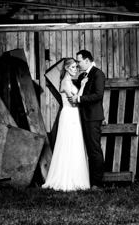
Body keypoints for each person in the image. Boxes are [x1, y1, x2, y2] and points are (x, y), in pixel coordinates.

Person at [42, 58, 89, 190]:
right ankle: (66, 178)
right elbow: (74, 102)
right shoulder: (65, 83)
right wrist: (83, 86)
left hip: (74, 114)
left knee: (75, 144)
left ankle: (76, 176)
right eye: (73, 67)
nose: (76, 69)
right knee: (68, 143)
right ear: (67, 68)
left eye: (76, 67)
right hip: (69, 114)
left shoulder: (70, 82)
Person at [75, 49, 106, 187]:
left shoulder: (98, 74)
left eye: (79, 61)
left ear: (87, 60)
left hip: (93, 117)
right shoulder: (82, 77)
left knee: (94, 149)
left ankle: (97, 183)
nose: (77, 64)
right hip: (82, 116)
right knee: (87, 149)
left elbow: (98, 95)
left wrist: (80, 99)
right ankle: (87, 181)